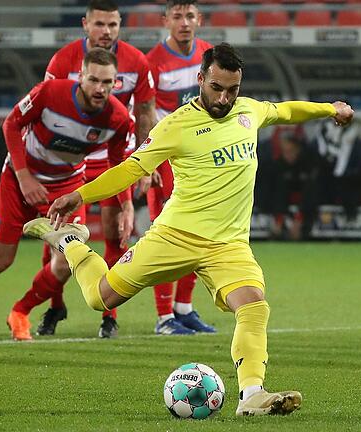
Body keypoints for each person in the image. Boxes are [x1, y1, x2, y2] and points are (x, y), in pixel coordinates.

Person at [23, 43, 354, 416]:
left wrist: (331, 109)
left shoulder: (249, 111)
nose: (225, 97)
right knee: (101, 298)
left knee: (255, 307)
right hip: (175, 237)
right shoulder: (176, 126)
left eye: (233, 89)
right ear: (200, 80)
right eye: (217, 88)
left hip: (229, 245)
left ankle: (252, 396)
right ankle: (72, 242)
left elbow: (287, 111)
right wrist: (77, 196)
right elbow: (131, 169)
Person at [0, 48, 131, 341]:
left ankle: (20, 311)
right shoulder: (49, 92)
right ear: (80, 77)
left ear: (116, 83)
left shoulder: (118, 119)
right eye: (94, 80)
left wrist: (125, 204)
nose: (100, 89)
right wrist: (24, 177)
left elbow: (117, 164)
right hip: (19, 179)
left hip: (66, 188)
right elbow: (11, 123)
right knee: (0, 261)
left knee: (65, 262)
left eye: (108, 83)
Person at [43, 0, 157, 338]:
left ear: (120, 25)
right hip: (68, 163)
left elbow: (146, 113)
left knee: (116, 234)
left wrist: (145, 163)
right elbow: (46, 108)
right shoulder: (62, 60)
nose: (106, 32)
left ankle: (110, 315)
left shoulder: (137, 62)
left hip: (114, 161)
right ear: (85, 24)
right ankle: (54, 306)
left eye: (113, 25)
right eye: (99, 24)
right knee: (57, 239)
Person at [142, 0, 216, 335]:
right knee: (167, 234)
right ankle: (163, 317)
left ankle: (183, 308)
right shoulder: (152, 63)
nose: (184, 22)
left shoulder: (209, 54)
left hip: (200, 156)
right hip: (167, 157)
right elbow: (142, 114)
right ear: (165, 21)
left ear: (199, 19)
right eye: (177, 16)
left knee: (199, 229)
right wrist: (148, 160)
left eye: (190, 16)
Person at [271, 136, 322, 240]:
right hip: (283, 202)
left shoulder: (306, 164)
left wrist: (299, 218)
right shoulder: (278, 165)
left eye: (291, 151)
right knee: (278, 188)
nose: (288, 155)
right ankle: (278, 222)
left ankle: (300, 224)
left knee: (311, 188)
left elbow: (311, 193)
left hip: (305, 205)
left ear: (297, 150)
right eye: (285, 152)